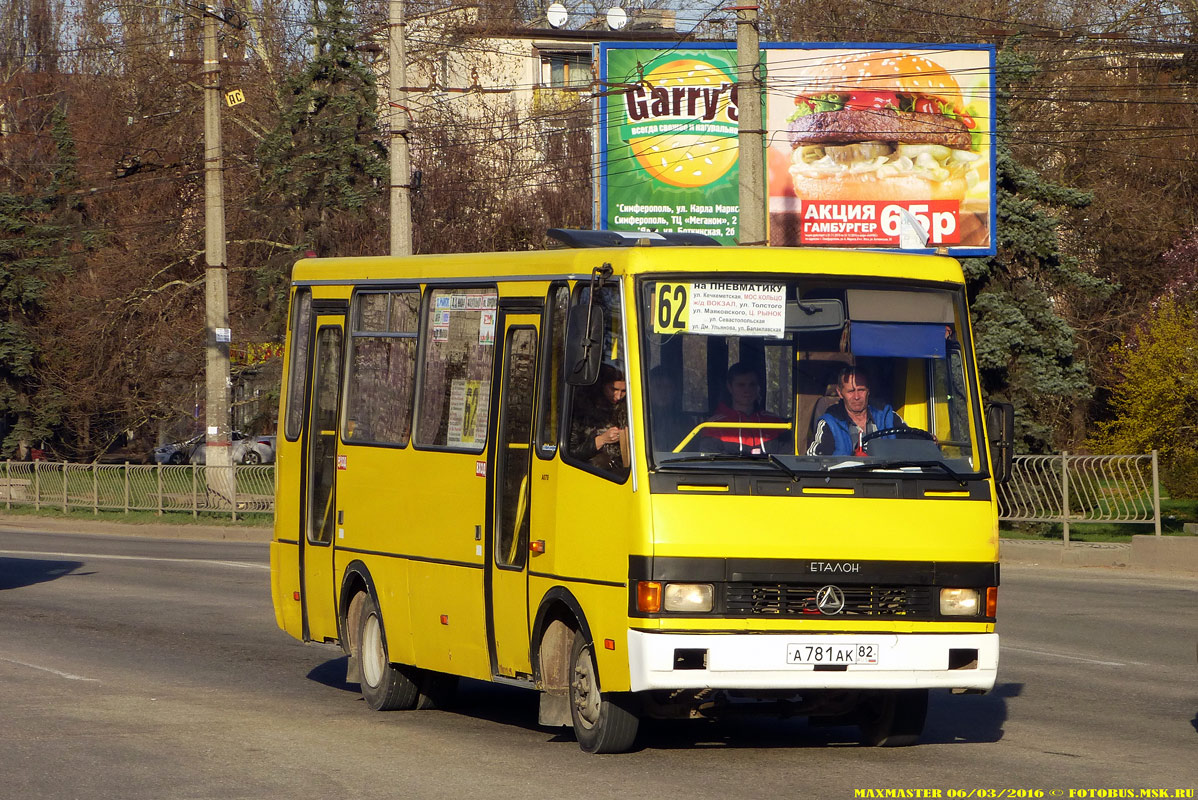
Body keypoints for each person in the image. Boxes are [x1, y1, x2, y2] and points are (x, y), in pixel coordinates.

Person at [807, 366, 903, 457]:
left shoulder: (887, 416)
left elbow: (912, 446)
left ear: (868, 391)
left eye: (861, 390)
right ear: (840, 393)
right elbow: (814, 460)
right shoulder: (829, 423)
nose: (856, 397)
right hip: (847, 474)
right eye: (851, 391)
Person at [701, 362, 787, 454]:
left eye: (752, 384)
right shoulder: (714, 426)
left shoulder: (775, 423)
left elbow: (788, 459)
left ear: (758, 387)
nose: (747, 390)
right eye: (741, 385)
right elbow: (710, 464)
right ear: (730, 387)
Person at [568, 364, 629, 474]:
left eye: (624, 391)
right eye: (613, 389)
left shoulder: (629, 408)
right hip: (590, 474)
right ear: (603, 385)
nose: (618, 396)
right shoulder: (581, 409)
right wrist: (600, 440)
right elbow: (569, 454)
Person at [648, 365, 691, 451]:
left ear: (674, 391)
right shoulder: (641, 419)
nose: (663, 392)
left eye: (668, 387)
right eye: (658, 387)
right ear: (649, 389)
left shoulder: (685, 422)